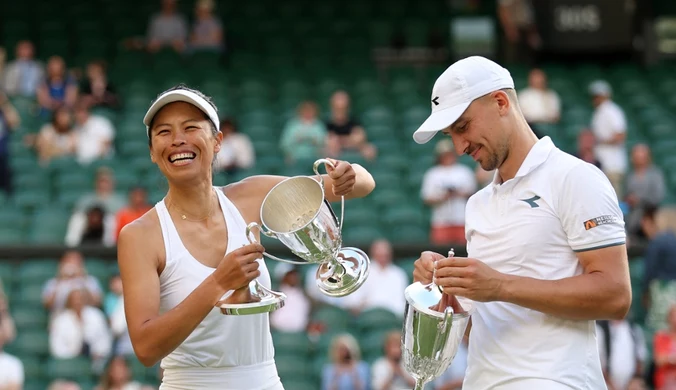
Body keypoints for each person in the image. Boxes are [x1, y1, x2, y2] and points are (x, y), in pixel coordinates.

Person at [117, 84, 375, 390]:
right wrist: (219, 283)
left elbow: (363, 183)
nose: (178, 140)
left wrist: (347, 174)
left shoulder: (249, 197)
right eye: (163, 132)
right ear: (151, 152)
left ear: (217, 142)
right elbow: (146, 349)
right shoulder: (139, 235)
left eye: (190, 127)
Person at [410, 56, 631, 390]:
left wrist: (500, 285)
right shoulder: (477, 204)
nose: (459, 146)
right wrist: (447, 291)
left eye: (463, 126)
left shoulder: (576, 178)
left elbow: (615, 296)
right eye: (450, 134)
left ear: (500, 102)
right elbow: (489, 319)